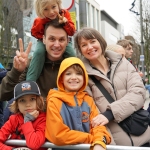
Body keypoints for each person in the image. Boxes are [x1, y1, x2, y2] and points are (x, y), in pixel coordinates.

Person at [74, 27, 150, 146]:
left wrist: (110, 114)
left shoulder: (123, 63)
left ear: (100, 42)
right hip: (116, 144)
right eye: (83, 45)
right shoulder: (82, 76)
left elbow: (138, 92)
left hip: (144, 138)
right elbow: (93, 114)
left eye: (92, 41)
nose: (89, 47)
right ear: (80, 50)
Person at [45, 57, 111, 150]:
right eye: (68, 74)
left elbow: (98, 126)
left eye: (79, 74)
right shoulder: (54, 101)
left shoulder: (88, 100)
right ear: (61, 79)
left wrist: (99, 141)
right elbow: (57, 134)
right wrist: (91, 139)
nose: (74, 77)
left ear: (84, 78)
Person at [0, 19, 71, 101]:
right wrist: (16, 72)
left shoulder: (74, 67)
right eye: (52, 39)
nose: (57, 45)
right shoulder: (30, 64)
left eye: (61, 40)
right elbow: (3, 95)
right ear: (44, 39)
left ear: (67, 41)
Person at [26, 0, 76, 81]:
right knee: (39, 52)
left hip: (63, 40)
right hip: (44, 40)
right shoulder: (39, 21)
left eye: (53, 7)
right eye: (46, 9)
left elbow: (72, 32)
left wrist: (65, 22)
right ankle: (30, 81)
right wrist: (45, 39)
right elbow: (34, 32)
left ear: (58, 4)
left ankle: (76, 75)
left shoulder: (65, 14)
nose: (51, 12)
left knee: (72, 53)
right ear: (40, 10)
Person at [0, 80, 46, 150]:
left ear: (38, 101)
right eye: (22, 100)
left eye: (32, 99)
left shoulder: (43, 119)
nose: (28, 104)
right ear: (17, 104)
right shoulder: (13, 120)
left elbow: (34, 144)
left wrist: (27, 121)